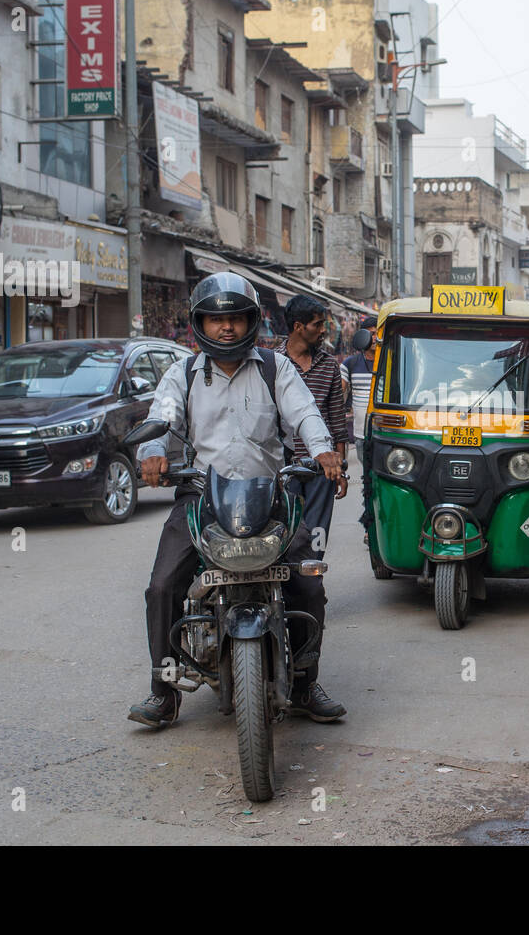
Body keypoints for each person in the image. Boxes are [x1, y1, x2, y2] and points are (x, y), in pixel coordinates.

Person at [129, 272, 346, 729]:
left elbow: (304, 411)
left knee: (308, 583)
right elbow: (161, 419)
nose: (225, 328)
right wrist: (151, 454)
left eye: (234, 318)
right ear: (200, 324)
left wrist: (323, 449)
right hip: (202, 494)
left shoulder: (275, 367)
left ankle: (306, 683)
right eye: (214, 320)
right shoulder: (182, 373)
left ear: (250, 321)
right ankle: (163, 691)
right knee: (163, 586)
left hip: (269, 492)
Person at [274, 294, 351, 553]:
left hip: (322, 467)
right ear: (299, 327)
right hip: (284, 466)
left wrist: (341, 468)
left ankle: (313, 577)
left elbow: (338, 422)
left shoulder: (329, 365)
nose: (323, 330)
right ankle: (286, 586)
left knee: (317, 531)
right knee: (284, 528)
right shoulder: (272, 364)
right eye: (317, 324)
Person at [342, 315, 378, 447]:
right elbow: (339, 394)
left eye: (377, 334)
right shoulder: (349, 364)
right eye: (371, 334)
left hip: (384, 432)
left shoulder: (391, 363)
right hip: (360, 433)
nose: (375, 338)